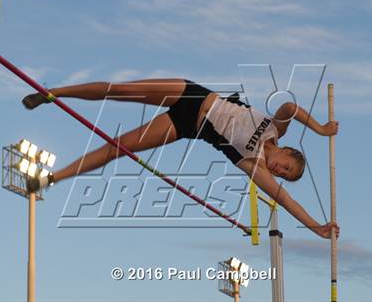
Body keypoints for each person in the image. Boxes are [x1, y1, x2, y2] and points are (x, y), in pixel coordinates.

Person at [23, 78, 340, 239]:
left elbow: (284, 200)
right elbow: (289, 109)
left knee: (118, 148)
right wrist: (321, 130)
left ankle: (51, 178)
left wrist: (315, 227)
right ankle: (54, 93)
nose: (279, 171)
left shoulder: (254, 166)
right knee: (117, 90)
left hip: (189, 126)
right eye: (286, 166)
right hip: (194, 95)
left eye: (282, 174)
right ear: (287, 151)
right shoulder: (276, 129)